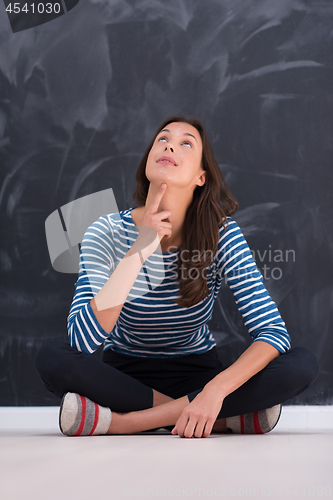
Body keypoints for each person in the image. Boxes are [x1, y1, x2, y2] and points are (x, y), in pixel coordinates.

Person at [34, 116, 319, 438]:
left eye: (187, 143)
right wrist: (140, 249)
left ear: (201, 177)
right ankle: (220, 419)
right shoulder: (106, 231)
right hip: (122, 375)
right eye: (163, 139)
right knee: (52, 358)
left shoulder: (221, 233)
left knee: (301, 364)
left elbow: (273, 334)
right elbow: (82, 341)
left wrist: (214, 392)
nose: (170, 144)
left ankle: (124, 423)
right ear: (148, 161)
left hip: (197, 374)